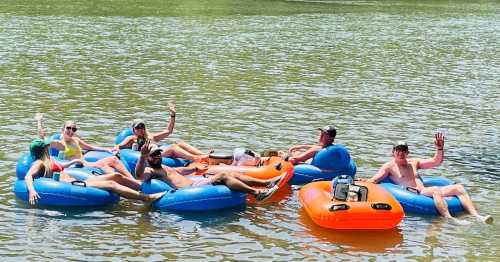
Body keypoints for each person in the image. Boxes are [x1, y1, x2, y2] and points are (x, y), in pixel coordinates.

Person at [364, 133, 492, 225]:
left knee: (459, 188)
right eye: (398, 150)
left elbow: (436, 161)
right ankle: (450, 219)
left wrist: (439, 148)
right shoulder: (389, 167)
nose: (401, 153)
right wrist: (362, 181)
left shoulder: (413, 162)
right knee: (435, 190)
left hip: (424, 190)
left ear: (407, 153)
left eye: (404, 150)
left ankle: (476, 216)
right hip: (414, 193)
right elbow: (375, 179)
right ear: (393, 152)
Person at [25, 138, 165, 205]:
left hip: (76, 181)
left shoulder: (48, 161)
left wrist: (73, 162)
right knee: (111, 184)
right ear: (43, 150)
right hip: (73, 186)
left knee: (115, 175)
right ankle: (146, 198)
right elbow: (28, 176)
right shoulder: (39, 163)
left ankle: (142, 188)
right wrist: (32, 191)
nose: (48, 148)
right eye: (46, 147)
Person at [135, 141, 285, 202]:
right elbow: (139, 175)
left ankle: (267, 182)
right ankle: (257, 193)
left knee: (231, 173)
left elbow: (180, 170)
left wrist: (194, 167)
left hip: (195, 181)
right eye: (154, 155)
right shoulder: (150, 170)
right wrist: (142, 157)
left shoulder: (164, 167)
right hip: (190, 189)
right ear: (148, 158)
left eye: (158, 153)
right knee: (224, 175)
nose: (158, 156)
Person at [35, 113, 140, 190]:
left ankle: (133, 181)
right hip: (77, 166)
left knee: (113, 159)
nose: (71, 131)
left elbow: (90, 147)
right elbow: (42, 139)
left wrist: (107, 149)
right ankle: (128, 184)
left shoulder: (76, 140)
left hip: (86, 163)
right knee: (104, 165)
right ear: (62, 129)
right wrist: (39, 121)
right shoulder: (60, 143)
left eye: (74, 129)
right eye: (68, 128)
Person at [114, 103, 209, 162]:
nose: (140, 129)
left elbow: (168, 131)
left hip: (158, 152)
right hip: (149, 156)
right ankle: (196, 159)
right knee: (173, 147)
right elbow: (119, 146)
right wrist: (116, 151)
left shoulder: (151, 137)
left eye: (142, 126)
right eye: (137, 127)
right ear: (133, 129)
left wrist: (173, 115)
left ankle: (204, 155)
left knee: (181, 143)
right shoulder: (131, 139)